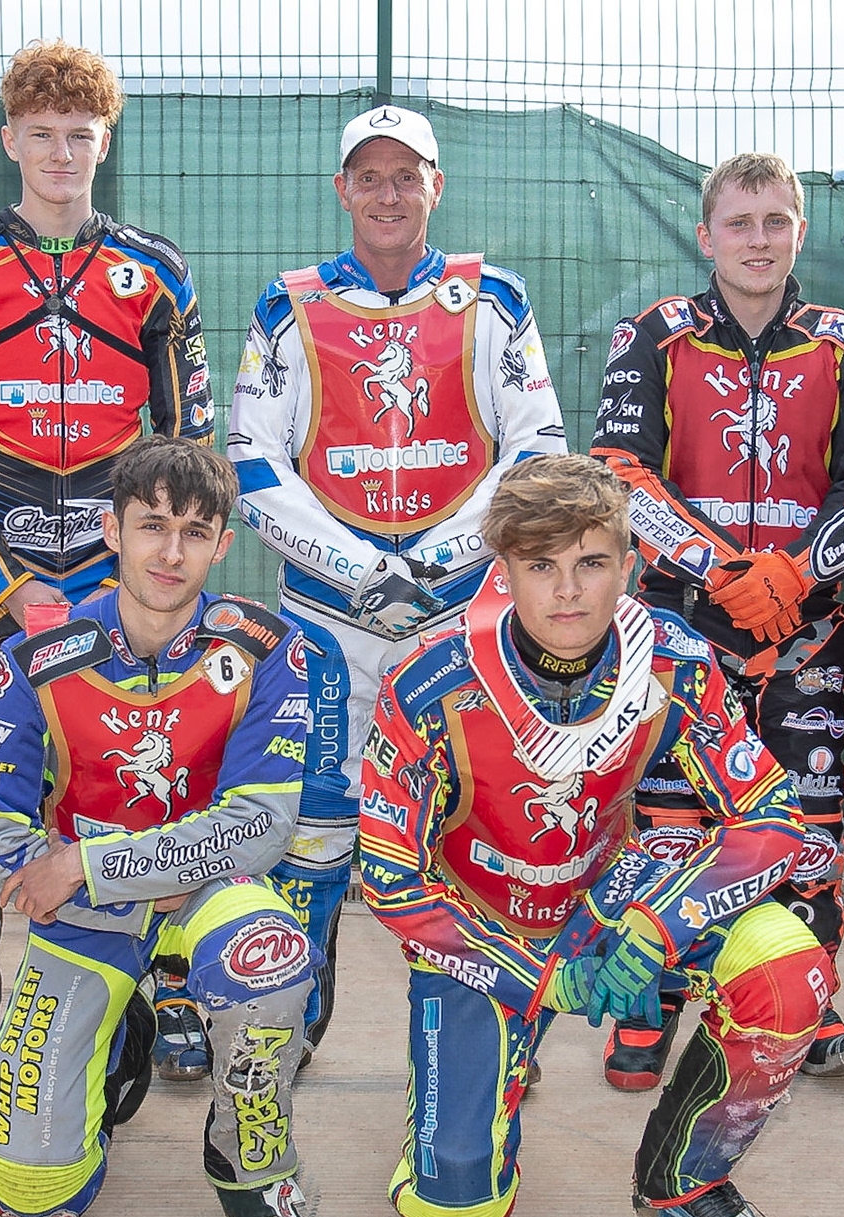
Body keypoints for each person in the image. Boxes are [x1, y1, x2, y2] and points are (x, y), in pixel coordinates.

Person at [360, 454, 832, 1217]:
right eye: (541, 565)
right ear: (502, 569)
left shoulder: (671, 660)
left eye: (591, 563)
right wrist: (538, 984)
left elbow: (773, 814)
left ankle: (683, 1187)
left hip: (605, 908)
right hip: (481, 938)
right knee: (457, 1216)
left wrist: (659, 922)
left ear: (630, 565)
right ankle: (475, 1082)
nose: (568, 590)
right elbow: (392, 879)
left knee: (790, 966)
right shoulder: (427, 678)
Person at [0, 40, 217, 1103]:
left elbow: (190, 446)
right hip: (0, 586)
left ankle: (170, 987)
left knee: (154, 773)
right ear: (11, 141)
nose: (62, 152)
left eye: (80, 135)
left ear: (103, 143)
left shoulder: (159, 270)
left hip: (133, 588)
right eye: (42, 134)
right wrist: (5, 584)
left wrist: (153, 570)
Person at [227, 104, 567, 1059]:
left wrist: (435, 561)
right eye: (367, 176)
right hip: (330, 624)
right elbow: (251, 463)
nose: (386, 192)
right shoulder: (286, 303)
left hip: (460, 616)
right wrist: (366, 569)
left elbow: (537, 444)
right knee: (316, 829)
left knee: (478, 823)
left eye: (404, 175)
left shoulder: (492, 296)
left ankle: (495, 1035)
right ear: (342, 190)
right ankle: (282, 1028)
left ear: (435, 187)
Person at [0, 436, 316, 1217]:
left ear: (223, 545)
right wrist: (107, 886)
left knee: (267, 957)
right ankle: (122, 1038)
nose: (171, 550)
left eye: (195, 531)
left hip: (195, 891)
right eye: (152, 525)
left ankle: (250, 1163)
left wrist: (92, 864)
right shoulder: (33, 657)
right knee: (28, 1189)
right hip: (92, 912)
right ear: (112, 531)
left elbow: (262, 826)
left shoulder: (266, 650)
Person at [592, 152, 844, 1089]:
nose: (757, 240)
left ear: (799, 231)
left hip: (807, 628)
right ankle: (649, 1000)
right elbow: (619, 470)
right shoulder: (651, 335)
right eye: (740, 223)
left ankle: (808, 992)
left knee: (806, 814)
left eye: (775, 221)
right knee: (672, 817)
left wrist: (798, 577)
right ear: (706, 237)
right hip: (681, 628)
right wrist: (726, 571)